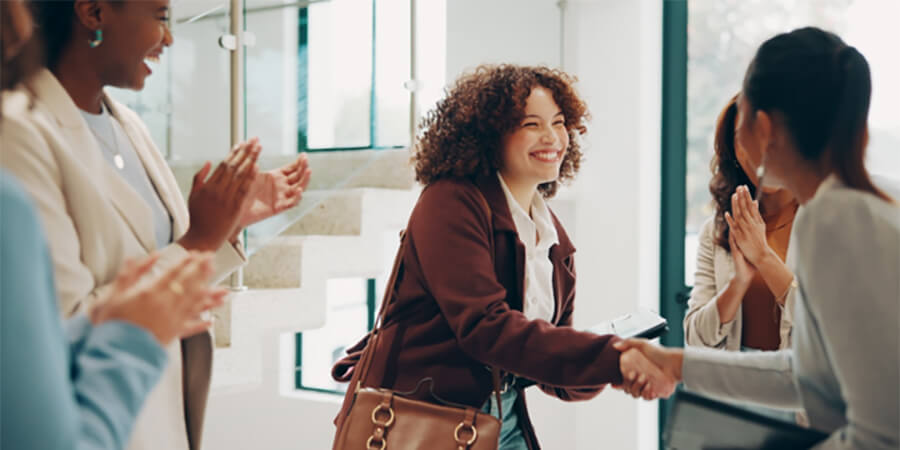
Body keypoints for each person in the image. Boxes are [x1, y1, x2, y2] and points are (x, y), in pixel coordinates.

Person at [1, 1, 312, 449]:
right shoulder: (18, 137)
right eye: (162, 18)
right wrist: (200, 241)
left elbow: (164, 260)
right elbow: (54, 332)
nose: (168, 39)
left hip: (164, 417)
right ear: (93, 13)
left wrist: (227, 225)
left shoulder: (128, 125)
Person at [331, 65, 674, 450]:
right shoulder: (450, 202)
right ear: (489, 136)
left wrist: (614, 362)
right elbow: (485, 328)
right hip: (421, 417)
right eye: (531, 124)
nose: (552, 137)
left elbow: (550, 373)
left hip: (500, 416)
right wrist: (610, 359)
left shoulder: (551, 236)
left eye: (559, 122)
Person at [617, 27, 899, 450]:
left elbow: (881, 435)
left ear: (763, 128)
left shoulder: (834, 219)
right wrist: (675, 363)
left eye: (743, 113)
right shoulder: (848, 207)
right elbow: (808, 378)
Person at [683, 95, 800, 422]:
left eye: (767, 138)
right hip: (734, 388)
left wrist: (763, 257)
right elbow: (696, 337)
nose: (757, 152)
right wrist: (737, 284)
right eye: (741, 140)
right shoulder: (717, 229)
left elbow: (827, 329)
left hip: (800, 393)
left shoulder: (823, 220)